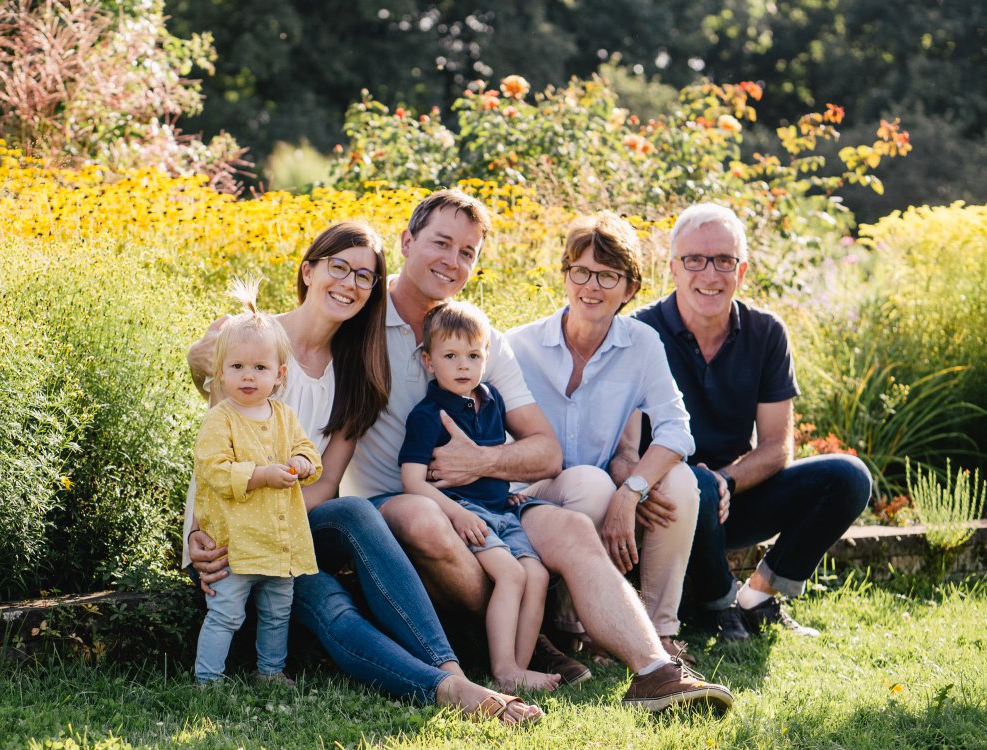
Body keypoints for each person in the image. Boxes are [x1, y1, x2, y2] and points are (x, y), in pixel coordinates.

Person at [340, 189, 734, 712]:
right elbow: (286, 335)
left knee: (570, 528)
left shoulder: (481, 339)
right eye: (441, 243)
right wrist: (218, 345)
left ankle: (655, 672)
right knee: (424, 518)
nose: (452, 261)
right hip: (395, 498)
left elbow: (546, 453)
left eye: (467, 252)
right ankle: (525, 642)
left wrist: (479, 462)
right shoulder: (359, 312)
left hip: (487, 502)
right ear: (407, 241)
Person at [184, 221, 543, 724]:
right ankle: (448, 689)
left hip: (299, 525)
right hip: (234, 531)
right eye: (339, 268)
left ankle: (452, 672)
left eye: (366, 277)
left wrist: (284, 531)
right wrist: (206, 532)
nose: (350, 284)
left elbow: (327, 483)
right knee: (333, 607)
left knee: (351, 510)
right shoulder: (250, 341)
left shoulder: (355, 370)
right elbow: (214, 453)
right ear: (308, 270)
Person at [631, 202, 872, 641]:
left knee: (849, 477)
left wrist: (726, 480)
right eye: (695, 260)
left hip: (734, 497)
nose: (710, 274)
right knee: (693, 484)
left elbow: (778, 446)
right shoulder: (639, 333)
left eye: (724, 260)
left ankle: (758, 597)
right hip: (664, 505)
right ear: (673, 269)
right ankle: (717, 606)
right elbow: (616, 442)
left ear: (741, 271)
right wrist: (641, 487)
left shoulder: (766, 333)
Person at [506, 211, 701, 663]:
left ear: (630, 288)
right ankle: (575, 627)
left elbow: (676, 428)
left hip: (599, 488)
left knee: (682, 484)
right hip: (528, 493)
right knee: (592, 483)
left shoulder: (642, 344)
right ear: (566, 274)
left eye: (607, 275)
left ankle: (656, 631)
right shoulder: (520, 345)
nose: (591, 286)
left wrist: (632, 489)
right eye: (581, 271)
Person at [400, 301, 559, 693]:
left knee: (536, 575)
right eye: (450, 356)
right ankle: (503, 668)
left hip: (500, 510)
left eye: (473, 355)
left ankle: (519, 669)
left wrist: (511, 494)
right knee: (510, 574)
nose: (463, 366)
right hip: (465, 511)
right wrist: (457, 515)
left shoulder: (492, 401)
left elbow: (495, 459)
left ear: (486, 358)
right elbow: (412, 481)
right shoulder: (427, 414)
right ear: (429, 362)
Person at [191, 279, 322, 685]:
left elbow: (310, 454)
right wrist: (262, 475)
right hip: (236, 543)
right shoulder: (221, 418)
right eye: (237, 367)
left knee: (278, 609)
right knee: (227, 611)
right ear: (220, 371)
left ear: (279, 375)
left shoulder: (283, 416)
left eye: (260, 368)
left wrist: (301, 464)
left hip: (279, 543)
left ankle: (270, 671)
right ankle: (208, 678)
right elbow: (212, 469)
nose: (248, 377)